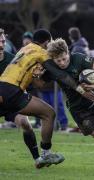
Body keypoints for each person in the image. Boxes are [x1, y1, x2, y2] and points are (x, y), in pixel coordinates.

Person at [0, 29, 94, 168]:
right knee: (49, 114)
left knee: (29, 122)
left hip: (5, 88)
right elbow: (60, 74)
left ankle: (40, 158)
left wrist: (36, 75)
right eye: (49, 44)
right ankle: (45, 153)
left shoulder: (24, 49)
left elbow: (34, 79)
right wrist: (80, 89)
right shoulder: (41, 52)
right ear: (46, 42)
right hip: (13, 91)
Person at [37, 38, 94, 171]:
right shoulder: (51, 68)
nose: (62, 63)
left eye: (64, 58)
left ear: (68, 53)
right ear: (53, 60)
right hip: (79, 110)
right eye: (59, 61)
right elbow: (40, 83)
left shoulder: (78, 58)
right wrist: (37, 75)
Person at [0, 28, 43, 165]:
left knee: (25, 123)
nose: (2, 44)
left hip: (11, 101)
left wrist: (35, 76)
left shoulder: (11, 58)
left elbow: (24, 79)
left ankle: (37, 159)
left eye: (3, 41)